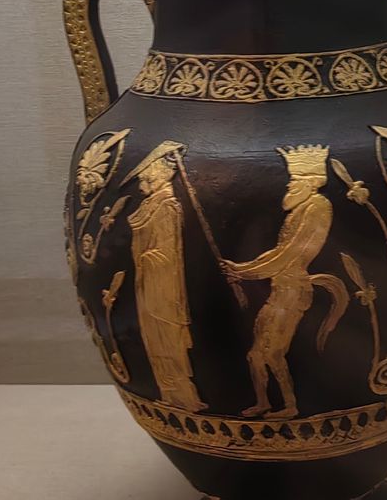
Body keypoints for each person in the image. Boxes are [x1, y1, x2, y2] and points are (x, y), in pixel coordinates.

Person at [223, 145, 347, 419]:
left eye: (295, 181)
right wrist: (240, 267)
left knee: (273, 354)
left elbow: (290, 255)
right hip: (280, 290)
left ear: (310, 183)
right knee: (256, 356)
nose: (289, 185)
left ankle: (290, 406)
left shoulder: (317, 207)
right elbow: (277, 253)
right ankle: (264, 403)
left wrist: (245, 274)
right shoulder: (300, 211)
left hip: (292, 292)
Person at [121, 142, 207, 412]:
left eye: (144, 178)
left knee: (167, 340)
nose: (141, 185)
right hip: (149, 283)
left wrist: (146, 258)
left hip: (162, 285)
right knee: (155, 340)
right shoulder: (153, 204)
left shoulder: (166, 206)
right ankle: (171, 395)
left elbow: (167, 253)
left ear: (157, 175)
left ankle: (183, 396)